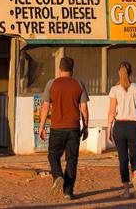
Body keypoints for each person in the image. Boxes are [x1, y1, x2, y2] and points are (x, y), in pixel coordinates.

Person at [38, 57, 89, 200]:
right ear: (72, 70)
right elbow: (84, 108)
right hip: (73, 127)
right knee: (72, 159)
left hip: (57, 128)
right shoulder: (79, 84)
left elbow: (45, 107)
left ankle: (58, 176)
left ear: (59, 69)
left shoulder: (51, 84)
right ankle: (68, 191)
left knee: (53, 155)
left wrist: (41, 127)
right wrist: (85, 127)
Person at [107, 61, 136, 199]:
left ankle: (126, 191)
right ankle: (135, 176)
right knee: (135, 156)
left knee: (123, 159)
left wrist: (109, 129)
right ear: (131, 72)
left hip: (120, 127)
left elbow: (111, 111)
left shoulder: (114, 90)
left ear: (119, 72)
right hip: (135, 126)